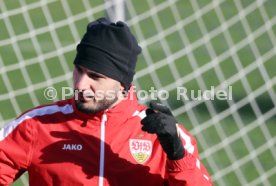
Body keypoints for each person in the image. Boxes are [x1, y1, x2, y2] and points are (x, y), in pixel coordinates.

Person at [0, 17, 213, 186]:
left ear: (122, 83)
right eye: (79, 70)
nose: (81, 85)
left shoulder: (166, 137)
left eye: (95, 77)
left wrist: (178, 157)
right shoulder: (36, 125)